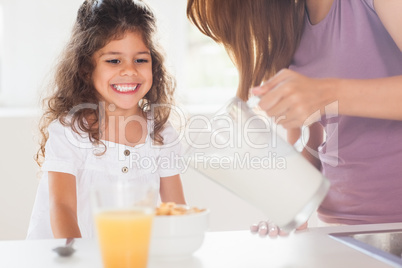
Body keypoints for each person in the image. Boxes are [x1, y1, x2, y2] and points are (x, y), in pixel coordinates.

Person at [187, 0, 402, 236]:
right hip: (338, 226)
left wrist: (326, 93)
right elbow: (315, 142)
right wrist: (294, 204)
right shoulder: (292, 29)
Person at [27, 0, 186, 239]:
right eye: (114, 60)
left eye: (141, 60)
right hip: (65, 257)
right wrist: (80, 260)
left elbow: (177, 210)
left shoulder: (161, 134)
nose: (130, 70)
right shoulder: (69, 132)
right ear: (85, 68)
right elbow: (63, 208)